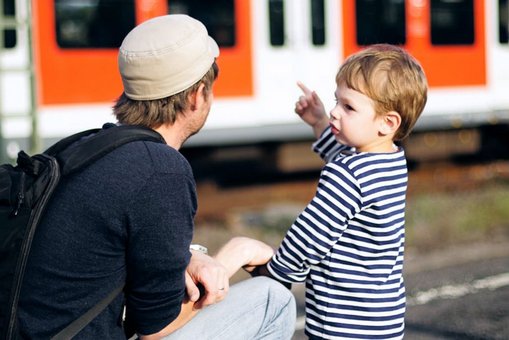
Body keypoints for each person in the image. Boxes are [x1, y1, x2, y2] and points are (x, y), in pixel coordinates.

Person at [17, 14, 295, 339]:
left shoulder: (90, 145)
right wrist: (234, 254)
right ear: (196, 96)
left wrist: (192, 257)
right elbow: (158, 326)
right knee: (272, 300)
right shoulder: (159, 170)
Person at [237, 43, 428, 339]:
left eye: (348, 107)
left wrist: (274, 272)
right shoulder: (389, 160)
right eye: (336, 101)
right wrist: (318, 121)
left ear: (387, 122)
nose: (335, 112)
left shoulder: (348, 174)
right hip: (383, 318)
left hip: (342, 321)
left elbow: (309, 236)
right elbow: (342, 154)